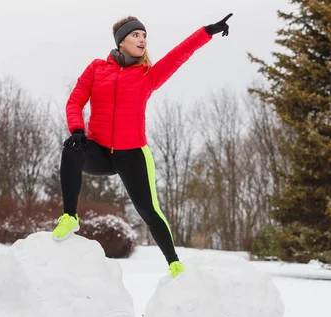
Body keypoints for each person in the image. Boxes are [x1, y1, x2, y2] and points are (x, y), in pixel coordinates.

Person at [53, 13, 233, 278]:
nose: (142, 40)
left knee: (149, 210)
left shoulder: (147, 75)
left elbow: (179, 55)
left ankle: (174, 263)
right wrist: (78, 130)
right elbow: (75, 101)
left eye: (145, 36)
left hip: (132, 154)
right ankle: (70, 217)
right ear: (121, 41)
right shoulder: (96, 69)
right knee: (71, 148)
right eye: (136, 35)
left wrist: (206, 31)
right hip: (100, 150)